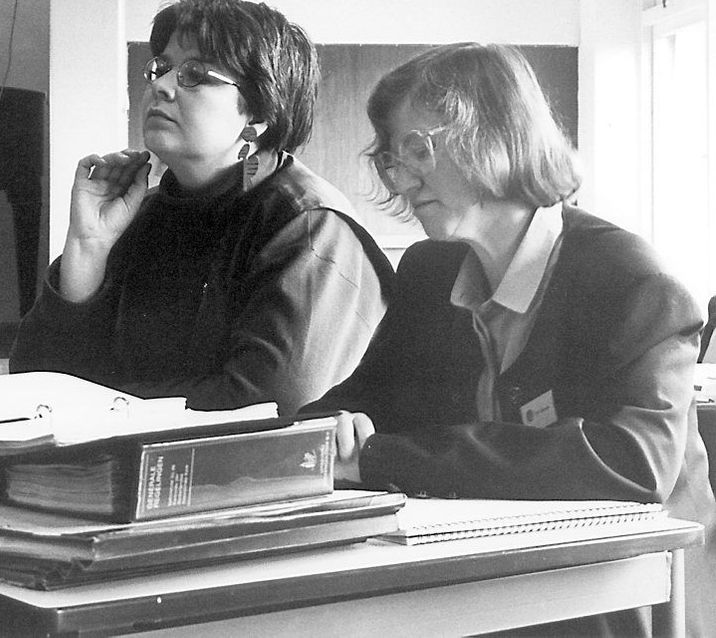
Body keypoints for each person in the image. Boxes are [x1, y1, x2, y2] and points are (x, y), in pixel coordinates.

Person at [305, 42, 716, 636]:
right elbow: (359, 398)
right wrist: (330, 428)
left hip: (625, 599)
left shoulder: (635, 283)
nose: (402, 177)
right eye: (392, 159)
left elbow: (631, 464)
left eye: (418, 148)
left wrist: (379, 458)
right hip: (486, 584)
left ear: (496, 136)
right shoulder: (430, 271)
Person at [9, 0, 393, 416]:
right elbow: (35, 387)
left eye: (194, 74)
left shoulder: (307, 226)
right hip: (128, 466)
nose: (162, 86)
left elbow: (269, 403)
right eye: (161, 67)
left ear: (258, 115)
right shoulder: (142, 214)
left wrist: (103, 404)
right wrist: (88, 247)